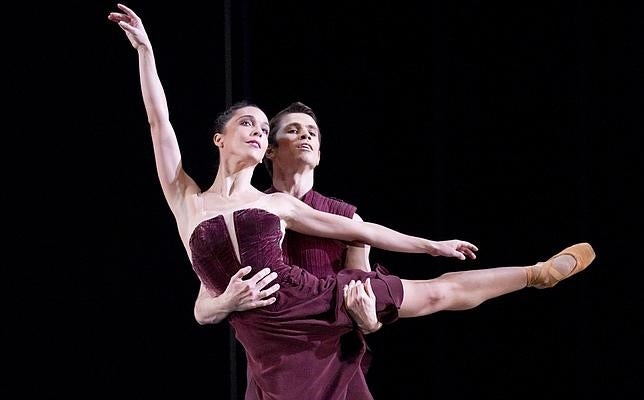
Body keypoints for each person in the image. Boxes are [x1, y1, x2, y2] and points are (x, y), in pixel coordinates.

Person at [108, 4, 596, 400]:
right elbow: (159, 123)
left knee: (436, 294)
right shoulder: (186, 198)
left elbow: (362, 232)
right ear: (218, 139)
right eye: (247, 124)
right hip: (268, 348)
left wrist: (430, 245)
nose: (257, 131)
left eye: (262, 126)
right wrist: (146, 54)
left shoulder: (277, 206)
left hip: (315, 303)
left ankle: (535, 273)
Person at [194, 101, 389, 400]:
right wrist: (229, 300)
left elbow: (366, 304)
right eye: (294, 130)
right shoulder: (246, 217)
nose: (306, 136)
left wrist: (369, 321)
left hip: (334, 364)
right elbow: (203, 308)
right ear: (268, 150)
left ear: (320, 154)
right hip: (273, 370)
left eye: (312, 132)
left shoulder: (347, 220)